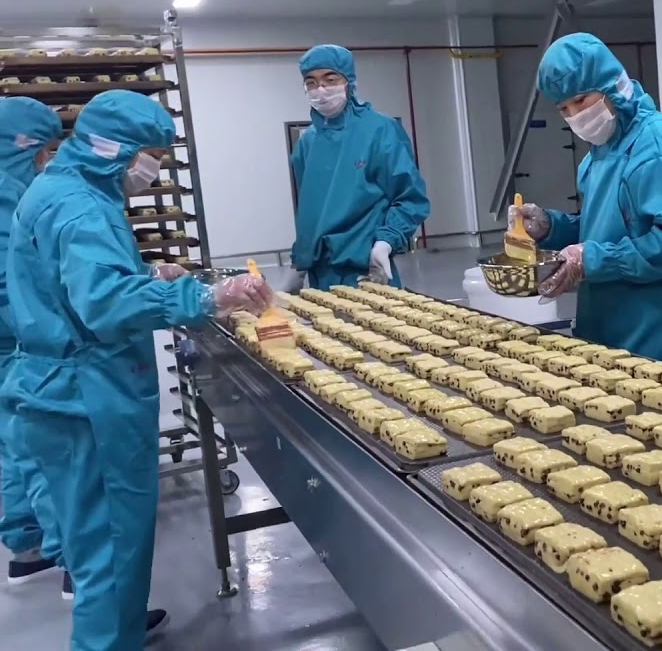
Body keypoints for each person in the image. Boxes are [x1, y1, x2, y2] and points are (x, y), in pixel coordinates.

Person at [0, 90, 274, 650]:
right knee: (111, 553)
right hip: (88, 399)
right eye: (152, 156)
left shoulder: (64, 190)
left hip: (57, 389)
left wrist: (145, 274)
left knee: (97, 550)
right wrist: (208, 297)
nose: (152, 170)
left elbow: (71, 280)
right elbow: (102, 304)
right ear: (115, 147)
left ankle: (116, 630)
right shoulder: (78, 205)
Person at [512, 33, 662, 373]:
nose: (575, 116)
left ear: (612, 84)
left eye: (581, 100)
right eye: (564, 109)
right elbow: (609, 227)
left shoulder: (658, 146)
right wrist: (552, 227)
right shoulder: (601, 154)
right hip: (607, 335)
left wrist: (592, 259)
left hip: (658, 342)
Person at [286, 44, 430, 291]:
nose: (320, 89)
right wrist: (299, 262)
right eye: (311, 82)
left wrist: (385, 242)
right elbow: (310, 212)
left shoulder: (379, 130)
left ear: (348, 81)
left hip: (367, 268)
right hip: (319, 272)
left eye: (330, 79)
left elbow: (411, 199)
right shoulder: (308, 142)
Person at [0, 98, 64, 587]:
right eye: (49, 149)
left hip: (10, 342)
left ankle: (28, 546)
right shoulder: (16, 196)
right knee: (47, 450)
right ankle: (75, 566)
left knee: (14, 443)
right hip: (22, 339)